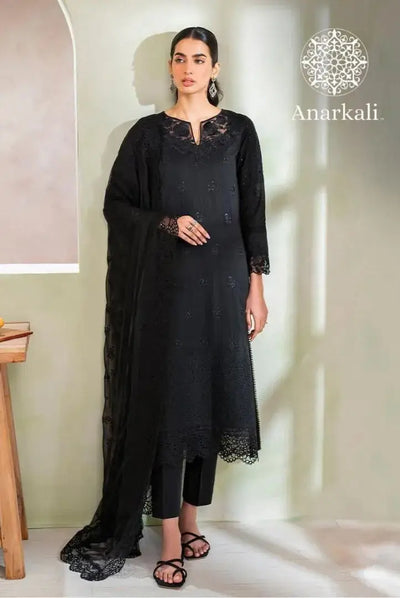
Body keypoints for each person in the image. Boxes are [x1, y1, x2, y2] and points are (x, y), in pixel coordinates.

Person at [59, 26, 270, 588]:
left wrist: (256, 288)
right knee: (173, 408)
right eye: (180, 59)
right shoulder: (148, 136)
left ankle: (194, 519)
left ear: (215, 68)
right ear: (171, 68)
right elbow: (117, 206)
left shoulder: (240, 132)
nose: (188, 68)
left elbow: (253, 212)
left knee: (213, 400)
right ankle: (171, 537)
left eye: (199, 59)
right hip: (168, 290)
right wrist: (167, 223)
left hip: (224, 286)